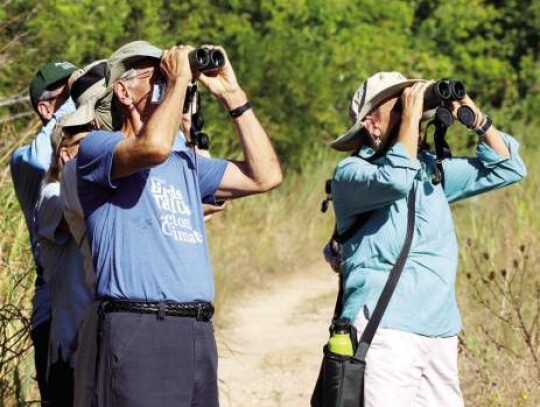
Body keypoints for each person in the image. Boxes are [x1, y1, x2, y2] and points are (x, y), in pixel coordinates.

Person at [75, 40, 282, 407]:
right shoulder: (97, 149)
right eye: (155, 74)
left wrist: (233, 95)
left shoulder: (184, 164)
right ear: (123, 90)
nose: (168, 78)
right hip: (139, 329)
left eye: (167, 73)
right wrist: (178, 80)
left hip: (196, 328)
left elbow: (265, 176)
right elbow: (152, 147)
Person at [329, 71, 526, 407]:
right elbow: (394, 180)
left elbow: (508, 167)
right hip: (385, 329)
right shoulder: (351, 174)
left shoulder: (430, 172)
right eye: (399, 107)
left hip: (440, 329)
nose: (413, 113)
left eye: (415, 105)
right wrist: (410, 115)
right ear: (371, 124)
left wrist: (474, 117)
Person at [9, 60, 78, 406]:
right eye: (69, 93)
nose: (80, 100)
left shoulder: (90, 150)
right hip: (55, 309)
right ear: (46, 107)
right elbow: (42, 157)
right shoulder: (26, 160)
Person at [34, 116, 93, 407]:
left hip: (98, 342)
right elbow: (82, 215)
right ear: (66, 153)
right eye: (87, 143)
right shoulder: (51, 195)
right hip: (69, 349)